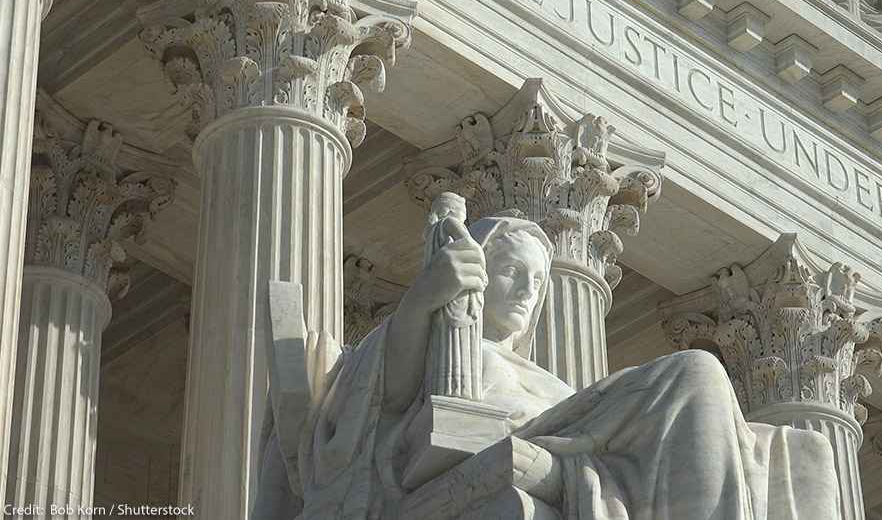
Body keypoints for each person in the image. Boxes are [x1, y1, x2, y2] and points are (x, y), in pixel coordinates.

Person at [273, 214, 841, 519]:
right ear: (475, 269)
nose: (526, 289)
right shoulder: (427, 340)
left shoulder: (551, 382)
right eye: (510, 271)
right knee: (696, 373)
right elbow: (388, 405)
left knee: (808, 454)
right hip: (517, 455)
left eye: (538, 281)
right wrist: (425, 298)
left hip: (576, 457)